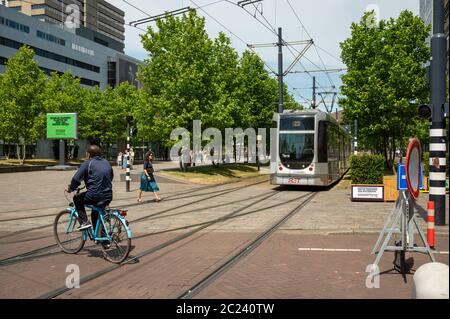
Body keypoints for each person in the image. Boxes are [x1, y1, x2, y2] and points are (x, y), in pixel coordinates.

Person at [67, 144, 114, 230]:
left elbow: (76, 179)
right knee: (96, 212)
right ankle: (103, 239)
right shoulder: (106, 162)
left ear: (88, 154)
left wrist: (71, 188)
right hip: (108, 195)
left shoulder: (87, 163)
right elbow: (110, 177)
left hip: (94, 195)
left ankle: (84, 222)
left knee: (77, 198)